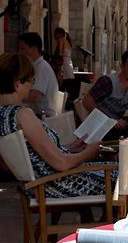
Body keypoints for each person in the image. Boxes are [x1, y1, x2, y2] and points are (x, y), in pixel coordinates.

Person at [0, 52, 116, 198]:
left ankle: (97, 218)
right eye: (31, 81)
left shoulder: (4, 116)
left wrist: (69, 148)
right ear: (18, 85)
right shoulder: (22, 115)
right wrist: (88, 153)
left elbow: (32, 156)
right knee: (124, 176)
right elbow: (62, 164)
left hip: (40, 185)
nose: (32, 86)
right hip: (57, 184)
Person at [83, 50, 128, 138]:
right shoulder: (107, 82)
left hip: (115, 131)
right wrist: (108, 120)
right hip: (96, 129)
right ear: (122, 66)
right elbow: (86, 101)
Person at [18, 32, 59, 117]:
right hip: (34, 114)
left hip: (43, 117)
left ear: (34, 49)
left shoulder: (41, 68)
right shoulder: (34, 66)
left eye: (23, 49)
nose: (20, 53)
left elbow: (34, 97)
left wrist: (12, 96)